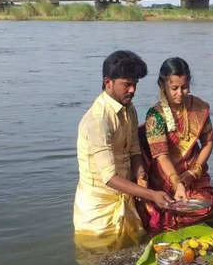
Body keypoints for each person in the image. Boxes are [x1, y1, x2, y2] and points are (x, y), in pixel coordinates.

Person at [73, 50, 174, 249]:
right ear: (108, 82)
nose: (132, 90)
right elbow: (109, 177)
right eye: (127, 84)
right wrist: (152, 195)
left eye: (135, 84)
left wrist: (140, 173)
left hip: (125, 202)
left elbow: (134, 149)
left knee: (130, 260)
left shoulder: (129, 109)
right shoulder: (98, 120)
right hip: (98, 213)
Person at [137, 57, 213, 232]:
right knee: (167, 213)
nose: (180, 93)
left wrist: (194, 171)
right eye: (174, 88)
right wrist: (177, 183)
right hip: (165, 175)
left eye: (184, 87)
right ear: (163, 85)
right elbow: (161, 156)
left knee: (206, 204)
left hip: (193, 172)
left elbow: (208, 142)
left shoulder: (199, 108)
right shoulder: (156, 116)